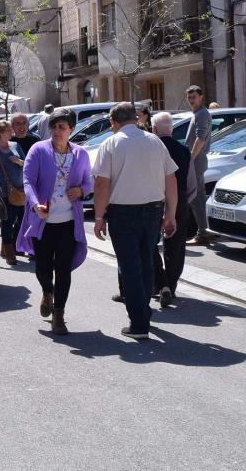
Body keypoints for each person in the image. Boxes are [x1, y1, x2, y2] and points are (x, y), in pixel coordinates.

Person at [92, 102, 178, 340]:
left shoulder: (111, 143)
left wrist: (99, 217)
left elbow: (101, 183)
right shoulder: (155, 141)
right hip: (153, 210)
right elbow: (171, 180)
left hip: (123, 212)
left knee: (130, 267)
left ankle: (139, 322)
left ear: (113, 122)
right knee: (146, 264)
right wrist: (170, 213)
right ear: (136, 118)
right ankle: (143, 315)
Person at [17, 109, 93, 335]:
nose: (57, 131)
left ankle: (58, 314)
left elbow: (89, 183)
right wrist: (34, 204)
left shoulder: (81, 154)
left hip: (69, 221)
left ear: (71, 129)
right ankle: (47, 291)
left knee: (63, 268)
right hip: (42, 220)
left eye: (62, 127)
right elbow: (28, 181)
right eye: (54, 127)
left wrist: (80, 190)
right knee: (42, 266)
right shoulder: (38, 150)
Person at [152, 111, 196, 307]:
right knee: (176, 246)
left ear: (154, 129)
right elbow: (192, 182)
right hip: (179, 201)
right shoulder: (184, 150)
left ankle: (159, 283)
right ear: (171, 129)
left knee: (150, 243)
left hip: (153, 201)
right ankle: (171, 283)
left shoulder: (151, 148)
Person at [0, 120, 25, 266]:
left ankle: (7, 247)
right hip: (3, 191)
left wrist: (18, 162)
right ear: (0, 133)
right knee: (7, 221)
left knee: (21, 218)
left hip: (20, 189)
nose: (12, 132)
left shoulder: (16, 145)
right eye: (9, 130)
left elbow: (26, 163)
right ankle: (10, 252)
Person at [185, 85, 214, 246]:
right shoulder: (197, 113)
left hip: (196, 161)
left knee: (195, 198)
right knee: (199, 198)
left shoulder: (202, 114)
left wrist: (190, 159)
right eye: (189, 97)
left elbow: (200, 138)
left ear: (201, 97)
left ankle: (202, 234)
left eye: (194, 97)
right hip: (197, 161)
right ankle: (205, 231)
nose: (191, 100)